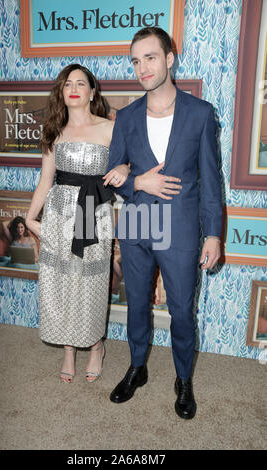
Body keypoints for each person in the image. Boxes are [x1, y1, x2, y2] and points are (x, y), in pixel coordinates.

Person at [103, 27, 223, 419]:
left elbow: (211, 178)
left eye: (150, 57)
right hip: (137, 223)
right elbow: (112, 173)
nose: (142, 68)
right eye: (136, 61)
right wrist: (138, 180)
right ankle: (137, 368)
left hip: (182, 229)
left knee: (182, 312)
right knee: (136, 303)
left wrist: (215, 235)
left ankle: (184, 378)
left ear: (170, 59)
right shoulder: (127, 116)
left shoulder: (201, 114)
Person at [26, 64, 128, 383]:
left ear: (92, 92)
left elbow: (129, 163)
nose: (73, 88)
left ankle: (95, 345)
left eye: (80, 83)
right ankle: (69, 349)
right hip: (60, 213)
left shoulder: (110, 128)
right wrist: (30, 217)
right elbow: (45, 181)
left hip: (93, 213)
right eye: (67, 83)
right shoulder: (55, 131)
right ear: (62, 92)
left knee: (90, 283)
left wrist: (124, 168)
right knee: (61, 281)